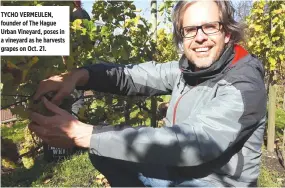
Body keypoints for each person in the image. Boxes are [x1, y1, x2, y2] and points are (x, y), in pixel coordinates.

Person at [29, 0, 266, 187]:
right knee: (105, 152)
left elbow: (192, 143)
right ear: (182, 38)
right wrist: (80, 76)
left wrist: (84, 134)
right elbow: (133, 76)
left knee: (97, 140)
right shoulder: (188, 69)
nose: (200, 37)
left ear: (227, 33)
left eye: (210, 27)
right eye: (190, 30)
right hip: (175, 169)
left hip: (212, 181)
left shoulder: (243, 84)